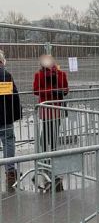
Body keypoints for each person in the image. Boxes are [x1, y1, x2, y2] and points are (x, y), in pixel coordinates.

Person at [33, 54, 69, 190]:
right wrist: (51, 91)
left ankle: (51, 156)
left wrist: (60, 90)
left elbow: (66, 89)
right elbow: (36, 90)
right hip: (46, 108)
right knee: (46, 132)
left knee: (53, 132)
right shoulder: (39, 75)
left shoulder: (61, 74)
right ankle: (45, 157)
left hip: (56, 108)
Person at [0, 50, 22, 190]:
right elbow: (9, 97)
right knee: (8, 141)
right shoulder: (4, 75)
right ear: (2, 61)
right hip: (3, 116)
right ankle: (10, 172)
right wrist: (16, 113)